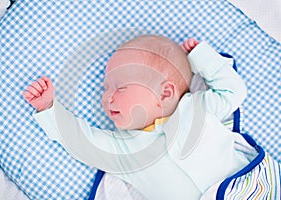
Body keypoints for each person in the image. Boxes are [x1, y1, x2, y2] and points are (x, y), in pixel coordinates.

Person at [22, 35, 257, 199]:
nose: (107, 98)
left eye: (120, 87)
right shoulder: (124, 150)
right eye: (105, 90)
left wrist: (200, 57)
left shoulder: (197, 108)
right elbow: (82, 142)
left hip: (247, 188)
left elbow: (233, 91)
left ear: (165, 93)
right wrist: (49, 108)